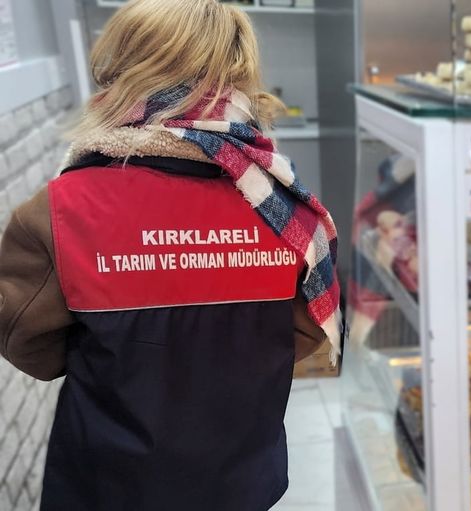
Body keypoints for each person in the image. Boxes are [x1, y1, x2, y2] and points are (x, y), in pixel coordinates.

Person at [0, 0, 341, 509]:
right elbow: (308, 331)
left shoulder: (58, 211)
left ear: (122, 71)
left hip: (110, 485)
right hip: (242, 479)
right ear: (238, 75)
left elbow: (28, 344)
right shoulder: (286, 210)